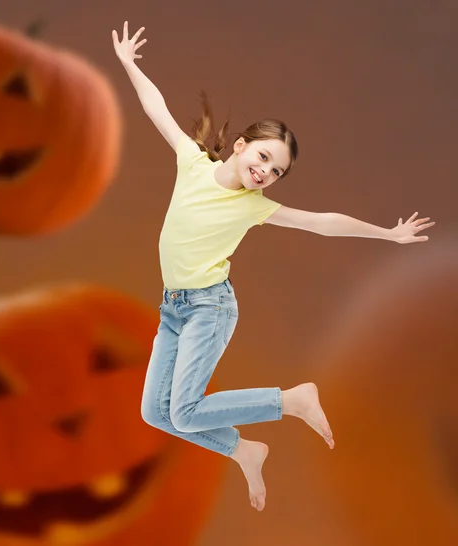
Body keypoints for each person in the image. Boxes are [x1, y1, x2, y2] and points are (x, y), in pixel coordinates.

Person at [111, 21, 435, 511]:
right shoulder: (192, 163)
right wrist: (130, 65)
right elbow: (157, 109)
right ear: (241, 146)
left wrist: (386, 233)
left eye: (277, 171)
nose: (265, 172)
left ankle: (291, 400)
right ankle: (243, 449)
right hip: (174, 309)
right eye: (263, 156)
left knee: (186, 408)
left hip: (209, 309)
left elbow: (322, 223)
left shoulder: (254, 206)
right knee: (157, 413)